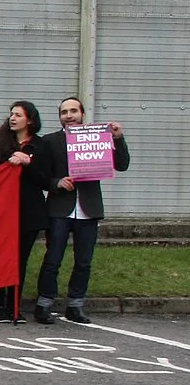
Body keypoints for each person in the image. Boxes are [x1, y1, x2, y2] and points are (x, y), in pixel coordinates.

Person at [34, 96, 131, 325]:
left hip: (88, 208)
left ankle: (75, 305)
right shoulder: (49, 142)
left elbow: (122, 164)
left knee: (84, 261)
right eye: (64, 112)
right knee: (52, 259)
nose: (69, 116)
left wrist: (117, 138)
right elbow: (40, 176)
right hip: (60, 208)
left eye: (73, 111)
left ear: (82, 114)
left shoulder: (99, 137)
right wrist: (56, 183)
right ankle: (44, 304)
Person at [0, 101, 56, 324]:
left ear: (30, 120)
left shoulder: (41, 146)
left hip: (29, 211)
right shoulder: (0, 143)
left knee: (19, 260)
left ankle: (14, 304)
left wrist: (28, 163)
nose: (13, 118)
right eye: (11, 114)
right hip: (2, 211)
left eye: (18, 115)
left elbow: (46, 180)